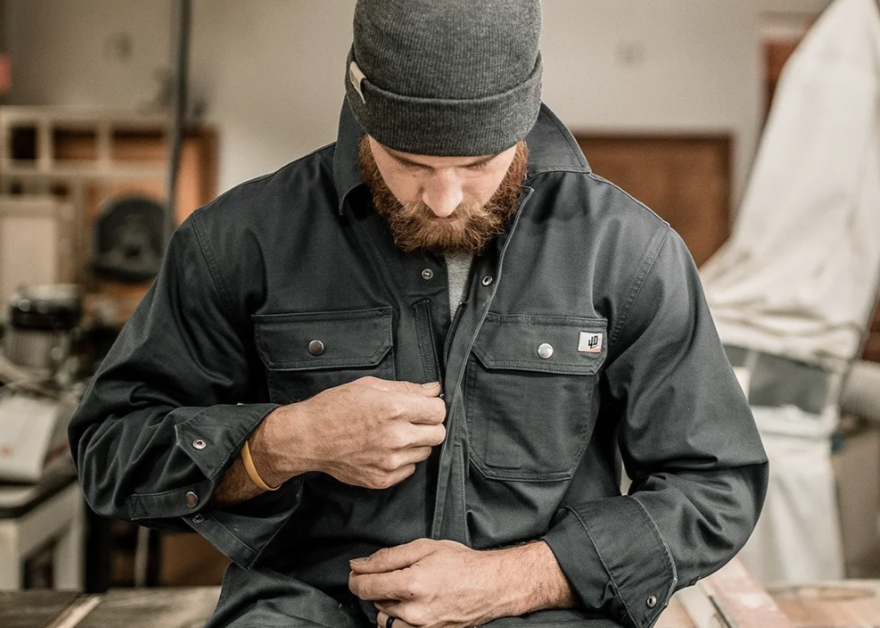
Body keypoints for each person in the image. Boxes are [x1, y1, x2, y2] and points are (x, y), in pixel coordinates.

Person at [69, 2, 769, 627]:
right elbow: (111, 450)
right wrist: (281, 442)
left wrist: (517, 579)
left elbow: (716, 485)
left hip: (544, 613)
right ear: (362, 112)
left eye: (479, 164)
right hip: (304, 608)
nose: (442, 199)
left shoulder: (626, 251)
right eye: (407, 162)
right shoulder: (238, 242)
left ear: (523, 121)